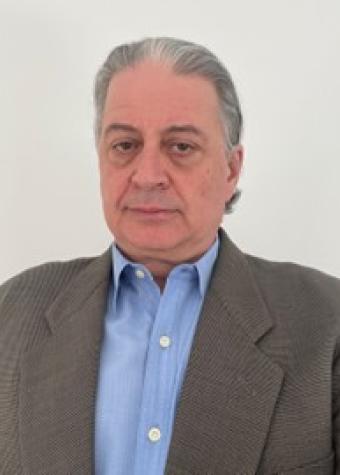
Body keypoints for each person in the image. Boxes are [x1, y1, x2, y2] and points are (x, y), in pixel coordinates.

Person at [0, 37, 339, 475]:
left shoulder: (326, 322)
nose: (148, 175)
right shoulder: (13, 314)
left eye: (180, 146)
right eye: (125, 145)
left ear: (231, 169)